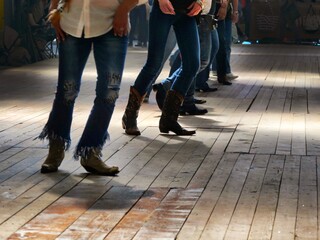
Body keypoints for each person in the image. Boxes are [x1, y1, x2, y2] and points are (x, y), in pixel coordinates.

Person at [38, 0, 142, 175]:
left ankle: (91, 150)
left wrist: (124, 9)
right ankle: (56, 147)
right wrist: (53, 9)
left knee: (109, 92)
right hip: (72, 21)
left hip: (112, 21)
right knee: (67, 90)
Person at [122, 0, 204, 136]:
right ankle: (129, 116)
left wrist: (201, 2)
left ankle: (169, 119)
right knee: (154, 63)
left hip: (188, 10)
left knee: (192, 65)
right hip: (163, 7)